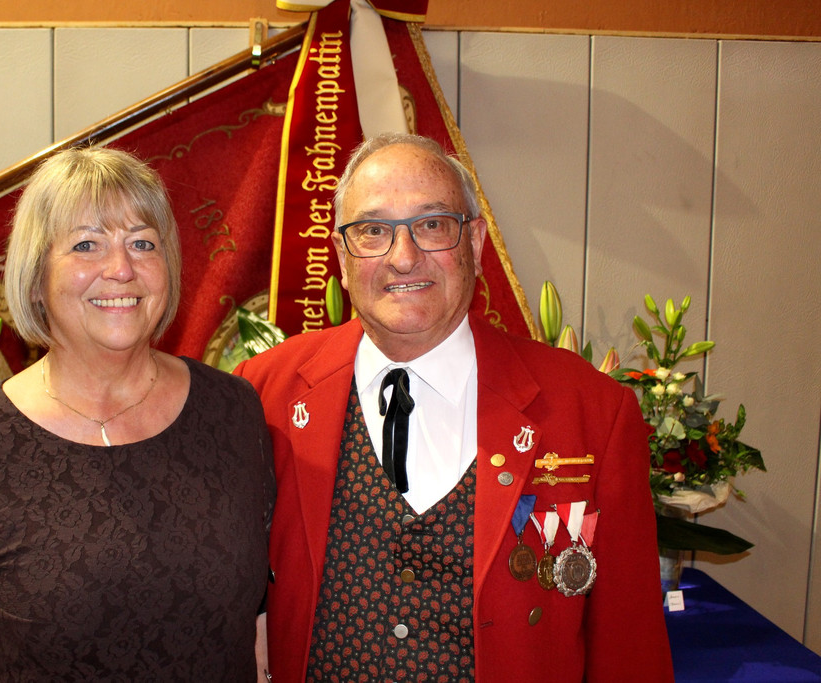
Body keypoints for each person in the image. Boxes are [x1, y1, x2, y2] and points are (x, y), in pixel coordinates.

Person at [235, 133, 673, 681]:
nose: (403, 257)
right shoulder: (263, 393)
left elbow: (630, 649)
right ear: (341, 258)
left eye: (432, 224)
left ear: (476, 243)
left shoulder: (591, 412)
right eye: (373, 230)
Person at [0, 147, 275, 681]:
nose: (121, 269)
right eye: (87, 245)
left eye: (143, 243)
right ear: (36, 276)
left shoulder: (233, 411)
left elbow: (261, 622)